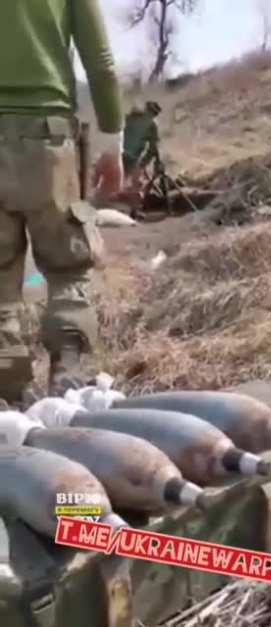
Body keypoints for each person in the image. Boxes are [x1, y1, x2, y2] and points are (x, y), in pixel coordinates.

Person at [0, 0, 124, 402]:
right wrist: (113, 142)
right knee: (69, 267)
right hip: (50, 143)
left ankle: (8, 399)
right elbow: (101, 62)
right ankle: (67, 379)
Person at [122, 101, 162, 210]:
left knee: (131, 184)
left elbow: (153, 149)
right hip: (127, 156)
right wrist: (143, 164)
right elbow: (153, 149)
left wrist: (142, 164)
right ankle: (132, 209)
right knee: (131, 185)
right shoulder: (134, 118)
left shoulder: (134, 118)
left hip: (128, 156)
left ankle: (132, 209)